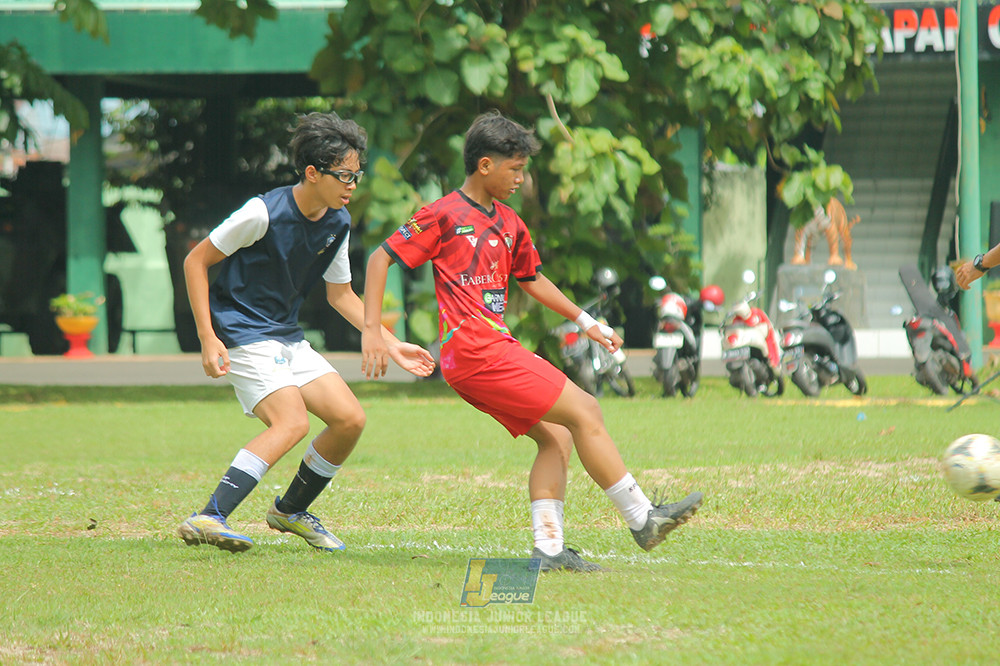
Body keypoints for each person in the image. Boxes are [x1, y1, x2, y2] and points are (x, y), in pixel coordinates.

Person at [360, 111, 703, 572]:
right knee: (587, 411)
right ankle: (643, 517)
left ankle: (548, 550)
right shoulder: (440, 214)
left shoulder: (508, 221)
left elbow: (532, 280)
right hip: (476, 351)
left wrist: (587, 321)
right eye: (515, 169)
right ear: (485, 166)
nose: (521, 178)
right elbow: (380, 260)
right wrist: (373, 332)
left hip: (485, 354)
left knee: (557, 437)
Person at [177, 112, 435, 553]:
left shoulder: (337, 223)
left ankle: (290, 510)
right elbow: (195, 262)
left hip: (286, 335)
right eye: (344, 175)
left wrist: (391, 344)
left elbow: (342, 296)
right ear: (312, 173)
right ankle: (209, 516)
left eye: (357, 175)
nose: (353, 185)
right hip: (241, 330)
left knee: (350, 419)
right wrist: (207, 336)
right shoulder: (263, 213)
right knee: (292, 421)